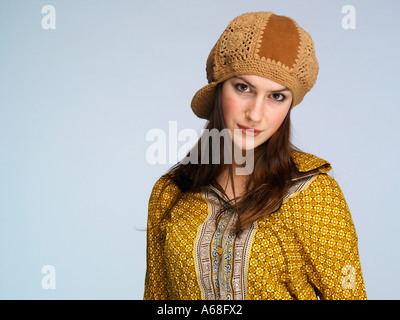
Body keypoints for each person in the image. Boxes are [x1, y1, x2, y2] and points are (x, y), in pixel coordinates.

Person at [144, 11, 367, 300]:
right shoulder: (170, 193)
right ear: (219, 89)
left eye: (276, 96)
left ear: (289, 106)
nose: (255, 114)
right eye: (243, 88)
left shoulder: (314, 195)